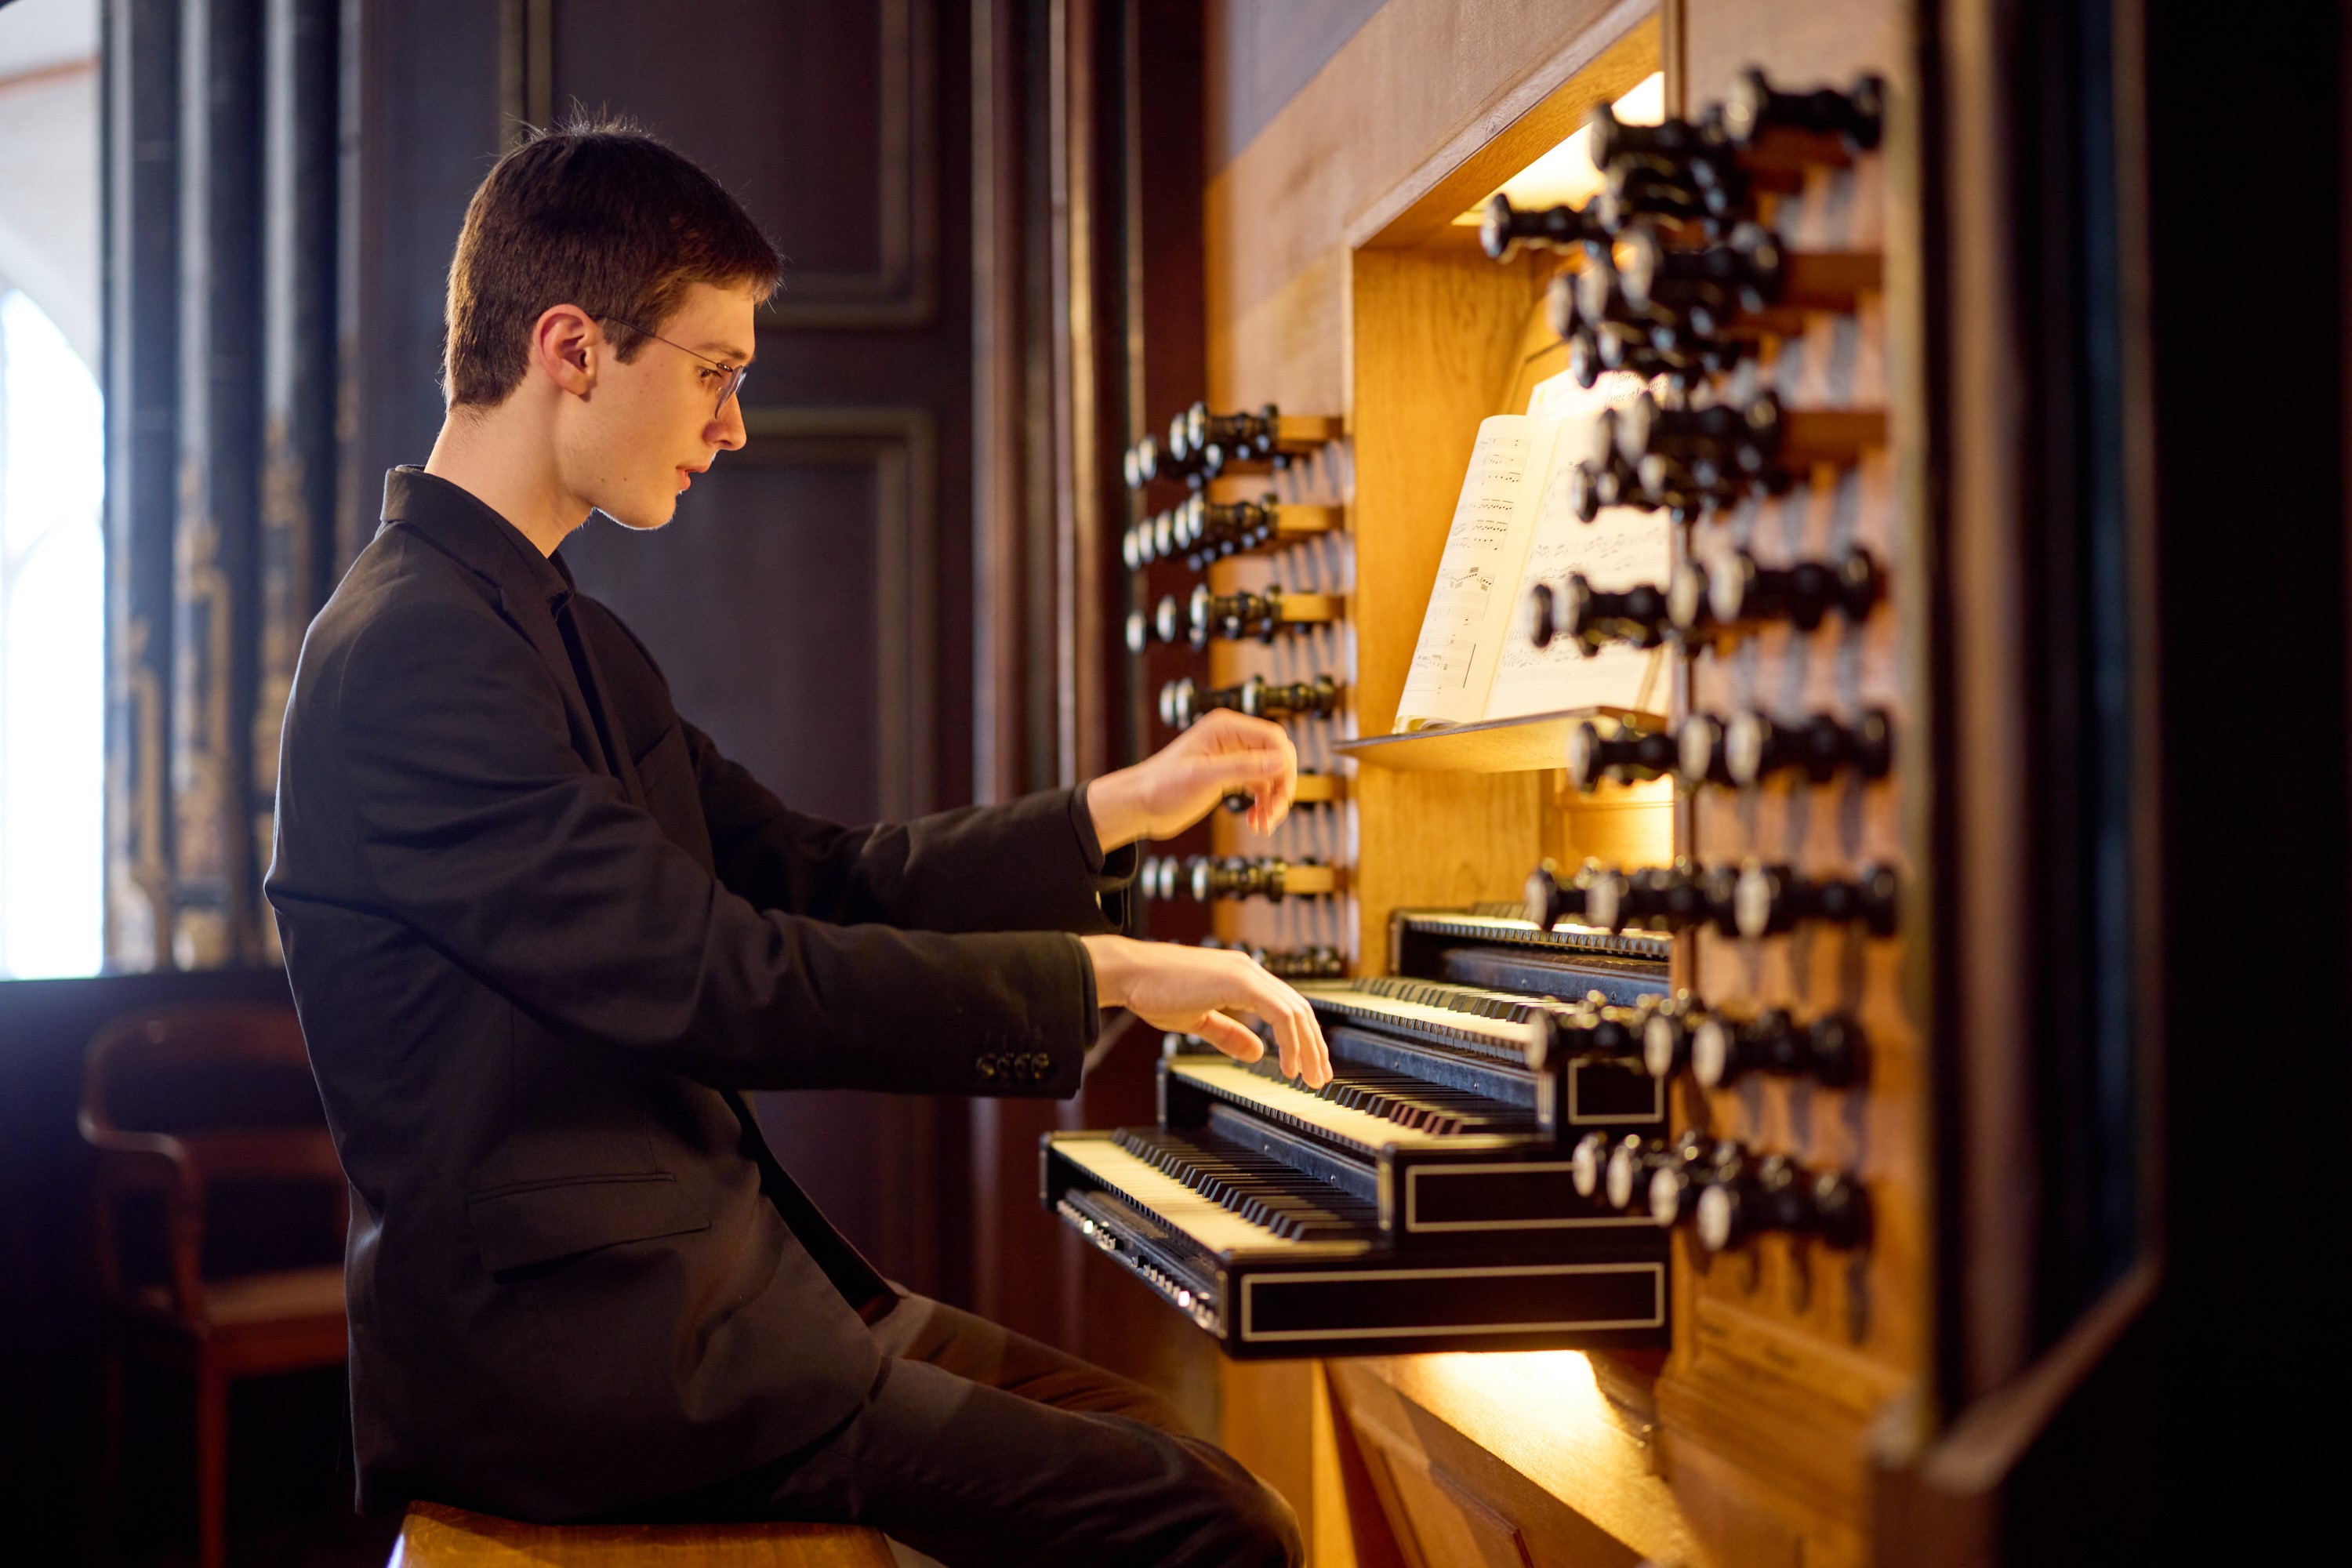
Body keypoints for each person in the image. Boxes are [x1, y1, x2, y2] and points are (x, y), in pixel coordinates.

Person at [264, 120, 1328, 1568]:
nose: (734, 427)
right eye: (714, 373)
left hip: (707, 1295)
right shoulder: (410, 653)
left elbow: (820, 878)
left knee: (1178, 1457)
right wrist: (1102, 977)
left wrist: (1116, 810)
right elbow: (711, 976)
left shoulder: (562, 631)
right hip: (574, 1364)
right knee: (1213, 1526)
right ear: (572, 348)